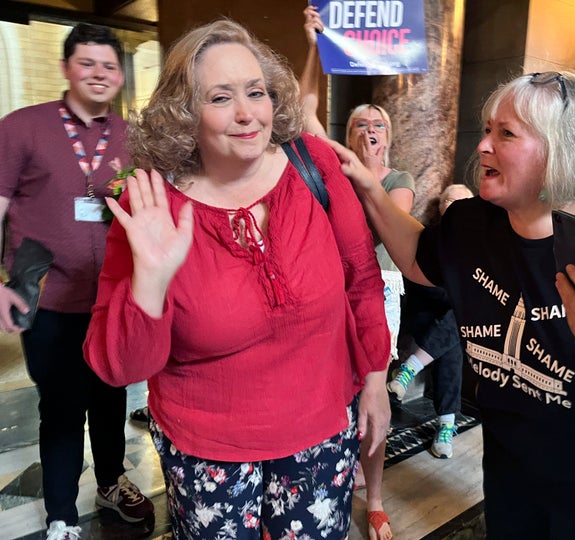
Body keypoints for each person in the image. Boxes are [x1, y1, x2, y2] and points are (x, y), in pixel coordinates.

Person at [330, 70, 575, 539]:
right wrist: (369, 187)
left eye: (506, 134)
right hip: (514, 473)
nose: (482, 146)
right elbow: (418, 257)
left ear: (562, 151)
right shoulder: (473, 223)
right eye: (488, 129)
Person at [83, 18, 391, 540]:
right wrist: (151, 282)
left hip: (320, 436)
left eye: (256, 92)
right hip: (208, 456)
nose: (247, 113)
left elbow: (361, 277)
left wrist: (377, 378)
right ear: (185, 114)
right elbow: (118, 367)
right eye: (221, 97)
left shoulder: (312, 164)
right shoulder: (153, 203)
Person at [0, 23, 154, 540]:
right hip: (47, 300)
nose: (99, 74)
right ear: (67, 67)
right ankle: (61, 517)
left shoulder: (132, 137)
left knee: (112, 395)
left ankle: (111, 481)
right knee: (62, 407)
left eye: (109, 66)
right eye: (87, 63)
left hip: (111, 298)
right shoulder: (22, 127)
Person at [299, 6, 414, 540]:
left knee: (372, 395)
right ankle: (329, 481)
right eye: (361, 124)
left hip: (377, 292)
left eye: (379, 124)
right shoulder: (338, 164)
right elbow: (304, 113)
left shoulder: (397, 177)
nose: (370, 130)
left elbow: (381, 234)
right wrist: (311, 48)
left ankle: (374, 498)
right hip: (330, 292)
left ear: (388, 137)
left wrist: (364, 172)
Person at [389, 183, 474, 459]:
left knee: (454, 332)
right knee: (456, 325)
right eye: (449, 201)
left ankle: (409, 369)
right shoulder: (429, 237)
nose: (454, 207)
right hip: (424, 312)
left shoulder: (478, 245)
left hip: (450, 320)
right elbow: (420, 283)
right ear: (441, 207)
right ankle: (446, 426)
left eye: (461, 203)